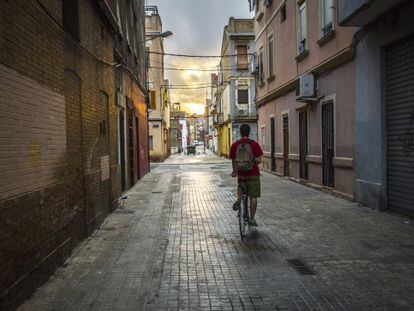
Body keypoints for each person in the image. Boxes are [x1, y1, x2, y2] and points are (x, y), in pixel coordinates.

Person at [229, 124, 263, 227]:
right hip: (253, 174)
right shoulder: (254, 144)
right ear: (249, 132)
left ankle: (239, 199)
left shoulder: (235, 145)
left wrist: (235, 171)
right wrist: (253, 161)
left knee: (240, 185)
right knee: (253, 197)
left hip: (241, 174)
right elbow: (259, 160)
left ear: (240, 132)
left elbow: (233, 160)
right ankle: (252, 219)